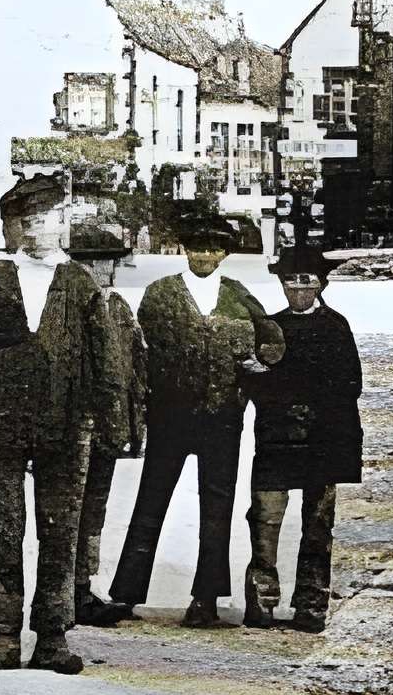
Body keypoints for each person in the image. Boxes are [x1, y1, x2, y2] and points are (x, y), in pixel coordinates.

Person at [0, 175, 137, 671]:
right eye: (29, 221)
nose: (39, 230)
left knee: (61, 532)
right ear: (16, 227)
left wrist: (112, 426)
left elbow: (107, 362)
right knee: (3, 529)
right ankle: (4, 633)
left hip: (67, 425)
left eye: (48, 219)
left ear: (62, 223)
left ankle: (53, 635)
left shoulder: (79, 282)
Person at [112, 214, 280, 628]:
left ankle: (205, 596)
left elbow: (271, 342)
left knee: (216, 507)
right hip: (169, 416)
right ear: (185, 249)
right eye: (197, 247)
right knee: (151, 501)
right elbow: (139, 352)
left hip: (222, 419)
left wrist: (255, 370)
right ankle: (126, 593)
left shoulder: (240, 297)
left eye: (214, 248)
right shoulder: (160, 293)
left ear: (225, 253)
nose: (205, 255)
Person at [242, 246, 364, 632]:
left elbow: (349, 385)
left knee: (317, 523)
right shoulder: (269, 328)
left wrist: (292, 393)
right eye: (290, 283)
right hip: (276, 439)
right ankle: (262, 599)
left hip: (322, 439)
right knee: (265, 518)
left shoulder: (336, 327)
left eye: (307, 282)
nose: (298, 291)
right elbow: (253, 382)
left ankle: (312, 601)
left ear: (320, 285)